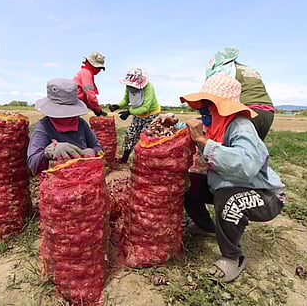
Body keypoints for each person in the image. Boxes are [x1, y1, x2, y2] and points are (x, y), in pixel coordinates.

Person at [157, 74, 285, 282]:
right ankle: (206, 226)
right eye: (203, 104)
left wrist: (203, 142)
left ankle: (233, 257)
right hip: (228, 187)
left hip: (265, 196)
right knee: (188, 183)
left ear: (224, 107)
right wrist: (171, 122)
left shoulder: (241, 127)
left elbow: (246, 166)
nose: (203, 109)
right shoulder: (215, 123)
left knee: (228, 199)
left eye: (209, 104)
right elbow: (189, 128)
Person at [27, 78, 103, 174]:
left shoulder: (81, 124)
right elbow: (33, 164)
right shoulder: (43, 127)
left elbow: (99, 149)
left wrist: (94, 152)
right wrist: (48, 153)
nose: (66, 117)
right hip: (57, 182)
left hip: (85, 178)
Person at [206, 47, 275, 140]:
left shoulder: (226, 69)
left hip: (248, 110)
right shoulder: (248, 69)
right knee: (255, 147)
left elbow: (217, 92)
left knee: (232, 146)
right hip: (268, 111)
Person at [108, 68, 161, 163]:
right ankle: (124, 159)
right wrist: (117, 106)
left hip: (151, 116)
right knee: (130, 135)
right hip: (137, 115)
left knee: (147, 137)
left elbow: (145, 107)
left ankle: (145, 161)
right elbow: (126, 100)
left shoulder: (149, 87)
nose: (130, 88)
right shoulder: (129, 86)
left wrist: (128, 112)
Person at [73, 51, 107, 117]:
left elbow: (85, 98)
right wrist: (98, 110)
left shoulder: (84, 72)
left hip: (74, 105)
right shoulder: (86, 74)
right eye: (99, 68)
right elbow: (90, 95)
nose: (99, 71)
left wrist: (95, 109)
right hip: (74, 106)